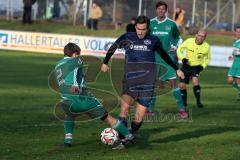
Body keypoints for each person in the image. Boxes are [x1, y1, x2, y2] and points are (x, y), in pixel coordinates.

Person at [101, 16, 184, 149]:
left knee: (139, 117)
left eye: (143, 29)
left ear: (148, 29)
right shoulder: (127, 37)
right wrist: (105, 62)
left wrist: (176, 69)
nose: (140, 32)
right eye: (138, 29)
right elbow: (113, 47)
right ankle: (122, 140)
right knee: (124, 110)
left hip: (147, 82)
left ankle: (129, 135)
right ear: (135, 28)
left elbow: (164, 55)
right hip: (130, 81)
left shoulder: (153, 40)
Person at [53, 42, 134, 147]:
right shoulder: (76, 59)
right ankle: (129, 136)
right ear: (75, 53)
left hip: (66, 101)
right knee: (107, 118)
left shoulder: (58, 65)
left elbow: (69, 77)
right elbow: (75, 70)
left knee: (69, 115)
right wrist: (75, 84)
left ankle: (67, 141)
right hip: (82, 99)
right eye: (78, 54)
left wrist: (81, 78)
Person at [149, 1, 186, 118]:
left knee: (173, 84)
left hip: (168, 58)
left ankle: (182, 109)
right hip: (154, 58)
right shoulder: (150, 23)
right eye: (159, 9)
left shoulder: (171, 24)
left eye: (163, 9)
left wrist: (174, 46)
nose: (161, 11)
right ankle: (150, 110)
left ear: (166, 11)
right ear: (156, 10)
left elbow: (177, 38)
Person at [177, 30, 211, 108]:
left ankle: (198, 101)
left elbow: (207, 58)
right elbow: (179, 49)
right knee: (182, 85)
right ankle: (184, 103)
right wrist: (183, 58)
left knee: (195, 80)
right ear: (196, 35)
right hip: (186, 65)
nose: (201, 38)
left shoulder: (206, 46)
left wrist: (202, 66)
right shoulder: (189, 41)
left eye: (203, 36)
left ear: (205, 37)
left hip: (196, 67)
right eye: (199, 35)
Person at [227, 26, 240, 100]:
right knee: (229, 81)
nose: (239, 33)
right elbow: (234, 52)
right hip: (234, 64)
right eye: (237, 31)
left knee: (238, 80)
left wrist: (238, 53)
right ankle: (239, 90)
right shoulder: (235, 41)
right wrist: (232, 56)